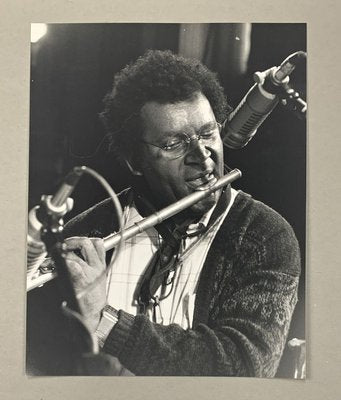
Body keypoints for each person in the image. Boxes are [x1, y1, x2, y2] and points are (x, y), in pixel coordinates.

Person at [28, 49, 301, 377]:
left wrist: (105, 321)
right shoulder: (90, 231)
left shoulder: (264, 235)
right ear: (133, 161)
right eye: (174, 144)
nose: (203, 156)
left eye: (208, 133)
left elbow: (243, 368)